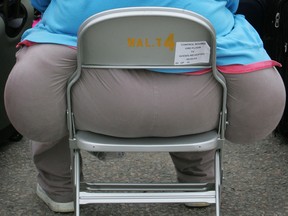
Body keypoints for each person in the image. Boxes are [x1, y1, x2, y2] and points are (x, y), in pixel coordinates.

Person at [4, 0, 286, 213]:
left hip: (93, 106)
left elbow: (41, 3)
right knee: (208, 55)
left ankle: (59, 188)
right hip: (191, 108)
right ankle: (198, 180)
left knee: (48, 60)